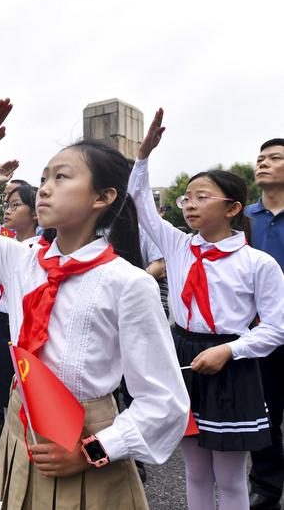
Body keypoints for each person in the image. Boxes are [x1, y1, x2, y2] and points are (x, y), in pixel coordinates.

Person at [0, 99, 190, 509]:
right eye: (43, 178)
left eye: (62, 177)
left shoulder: (128, 283)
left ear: (103, 196)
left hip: (85, 433)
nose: (45, 188)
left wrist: (93, 449)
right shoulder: (22, 259)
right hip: (24, 421)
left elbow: (166, 402)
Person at [129, 109, 284, 510]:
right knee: (195, 471)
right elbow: (141, 202)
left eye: (202, 197)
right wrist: (143, 157)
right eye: (186, 197)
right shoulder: (178, 245)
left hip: (232, 363)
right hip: (183, 355)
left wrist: (229, 350)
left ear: (233, 208)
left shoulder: (257, 263)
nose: (189, 205)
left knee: (231, 480)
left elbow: (277, 328)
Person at [0, 166, 44, 442]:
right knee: (3, 368)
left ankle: (28, 425)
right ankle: (5, 420)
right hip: (2, 313)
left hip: (27, 320)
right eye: (6, 204)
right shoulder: (4, 241)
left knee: (26, 375)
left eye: (15, 204)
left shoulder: (41, 250)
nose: (7, 210)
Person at [245, 138, 284, 510]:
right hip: (260, 333)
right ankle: (266, 486)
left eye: (275, 158)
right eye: (261, 159)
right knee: (267, 411)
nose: (264, 163)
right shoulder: (243, 220)